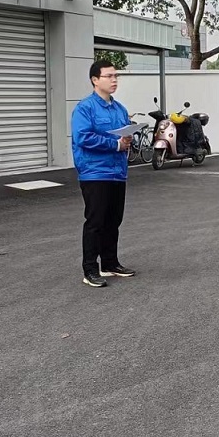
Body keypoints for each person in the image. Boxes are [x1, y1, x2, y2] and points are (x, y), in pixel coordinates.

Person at [71, 60, 137, 288]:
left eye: (116, 76)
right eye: (109, 76)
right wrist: (115, 144)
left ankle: (110, 263)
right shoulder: (85, 108)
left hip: (117, 172)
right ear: (95, 80)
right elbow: (82, 137)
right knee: (96, 221)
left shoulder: (120, 109)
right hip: (95, 172)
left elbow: (122, 136)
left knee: (113, 220)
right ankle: (90, 269)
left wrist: (127, 139)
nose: (114, 80)